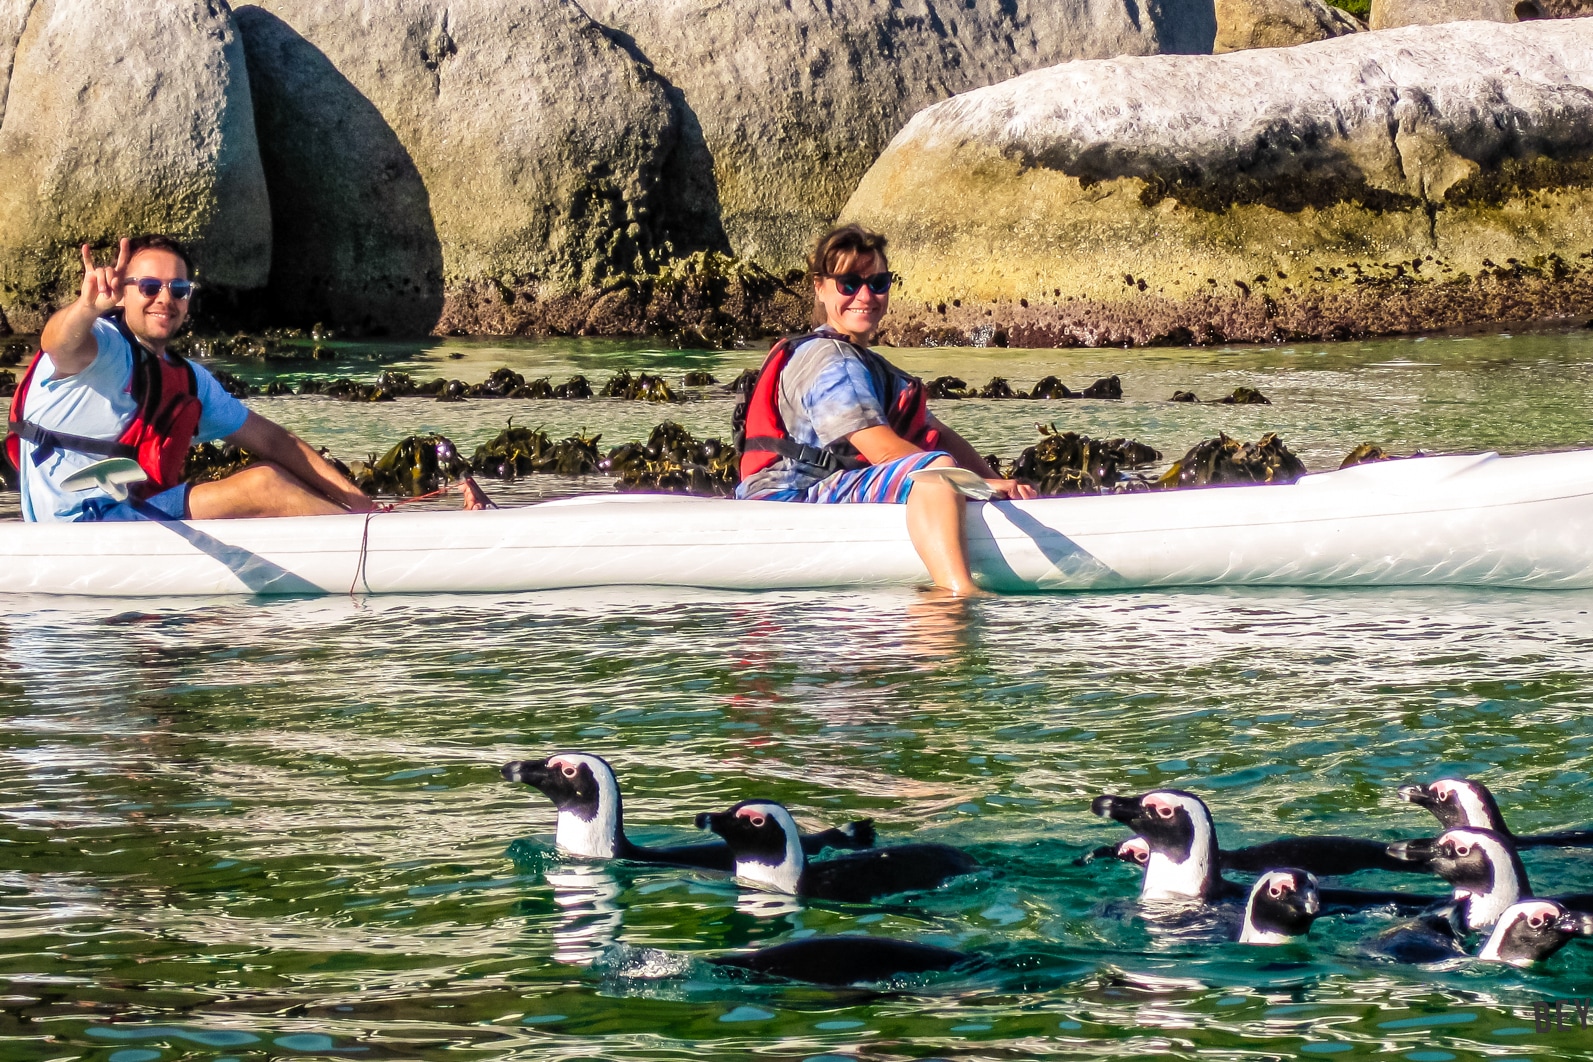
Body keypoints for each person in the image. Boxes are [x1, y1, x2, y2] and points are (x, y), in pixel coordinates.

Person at [5, 235, 488, 522]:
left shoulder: (188, 379)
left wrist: (361, 505)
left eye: (178, 288)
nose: (164, 299)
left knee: (274, 473)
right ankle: (378, 543)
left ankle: (368, 531)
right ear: (124, 295)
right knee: (261, 486)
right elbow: (56, 342)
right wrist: (87, 306)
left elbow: (278, 442)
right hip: (73, 524)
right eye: (148, 287)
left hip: (131, 514)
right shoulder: (101, 347)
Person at [736, 225, 1036, 595]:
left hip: (821, 489)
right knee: (937, 471)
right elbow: (881, 449)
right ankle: (956, 594)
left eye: (878, 283)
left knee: (941, 462)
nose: (865, 295)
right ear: (820, 286)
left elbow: (936, 433)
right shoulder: (831, 361)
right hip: (790, 497)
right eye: (848, 283)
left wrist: (999, 484)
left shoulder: (861, 360)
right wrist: (972, 485)